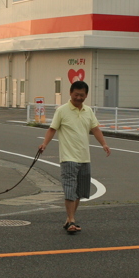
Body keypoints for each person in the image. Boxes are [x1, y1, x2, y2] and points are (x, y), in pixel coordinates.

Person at [38, 80, 111, 234]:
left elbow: (95, 128)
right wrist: (44, 144)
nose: (79, 98)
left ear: (86, 95)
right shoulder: (62, 110)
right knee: (70, 189)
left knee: (79, 192)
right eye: (76, 94)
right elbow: (52, 129)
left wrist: (104, 144)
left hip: (84, 157)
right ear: (70, 93)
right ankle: (71, 221)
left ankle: (69, 219)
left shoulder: (88, 111)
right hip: (68, 157)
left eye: (82, 95)